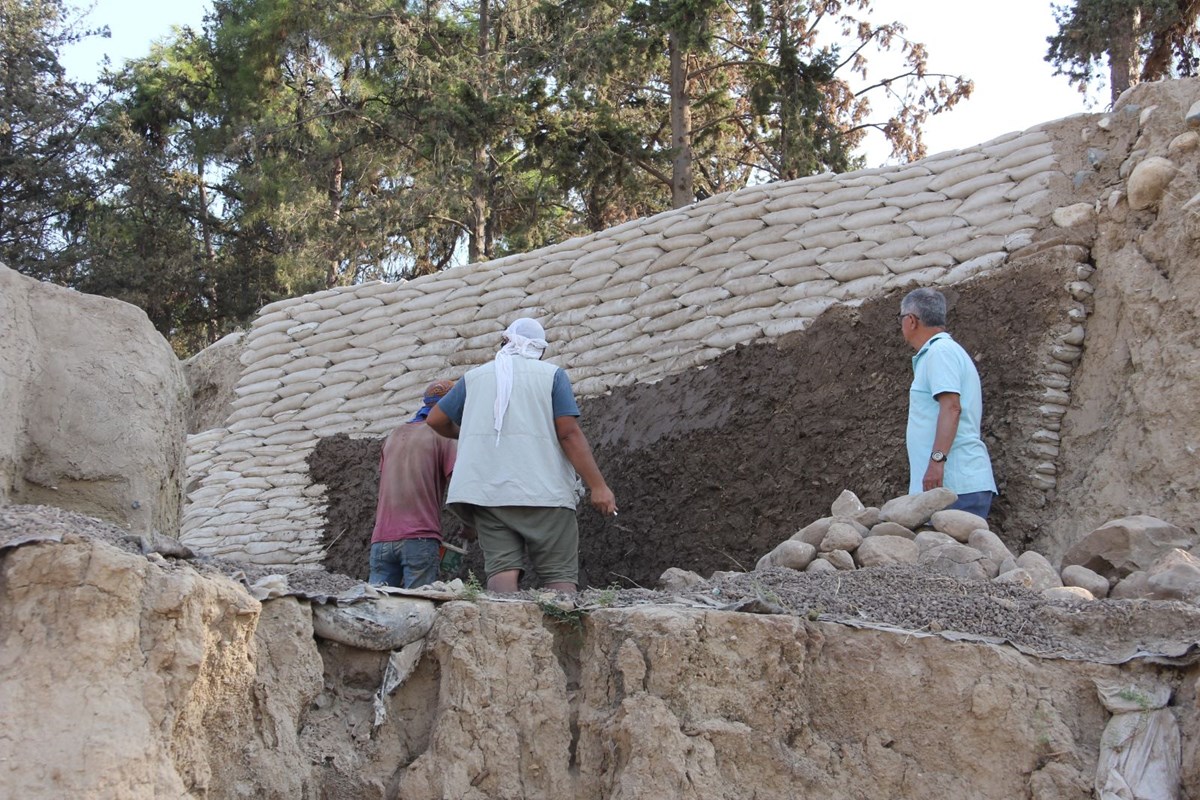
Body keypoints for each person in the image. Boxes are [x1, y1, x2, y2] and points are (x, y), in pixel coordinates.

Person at [427, 318, 617, 594]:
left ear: (504, 342)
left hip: (489, 495)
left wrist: (469, 433)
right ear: (540, 350)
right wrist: (598, 486)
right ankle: (564, 630)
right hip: (545, 493)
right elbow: (568, 434)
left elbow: (435, 420)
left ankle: (503, 633)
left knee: (502, 569)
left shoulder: (474, 378)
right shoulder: (552, 375)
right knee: (558, 573)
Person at [899, 287, 998, 519]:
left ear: (911, 321)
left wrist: (936, 462)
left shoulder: (940, 352)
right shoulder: (942, 352)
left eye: (902, 318)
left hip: (954, 486)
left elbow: (952, 408)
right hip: (949, 486)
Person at [368, 379, 460, 588]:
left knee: (374, 607)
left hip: (381, 540)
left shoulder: (394, 435)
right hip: (419, 538)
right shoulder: (444, 436)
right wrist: (470, 525)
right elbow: (458, 485)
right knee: (418, 608)